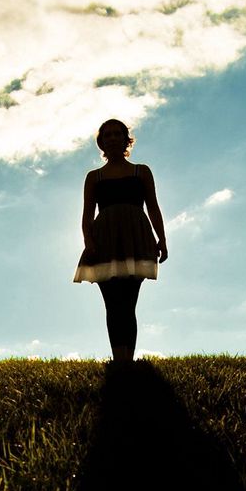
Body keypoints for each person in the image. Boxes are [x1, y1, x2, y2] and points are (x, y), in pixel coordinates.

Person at [73, 119, 168, 363]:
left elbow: (154, 208)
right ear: (101, 142)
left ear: (127, 139)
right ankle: (119, 360)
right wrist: (89, 243)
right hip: (105, 240)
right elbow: (86, 215)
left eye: (118, 134)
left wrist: (162, 239)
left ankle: (127, 360)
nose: (113, 138)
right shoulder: (94, 177)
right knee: (112, 303)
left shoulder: (141, 171)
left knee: (128, 303)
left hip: (136, 238)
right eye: (108, 135)